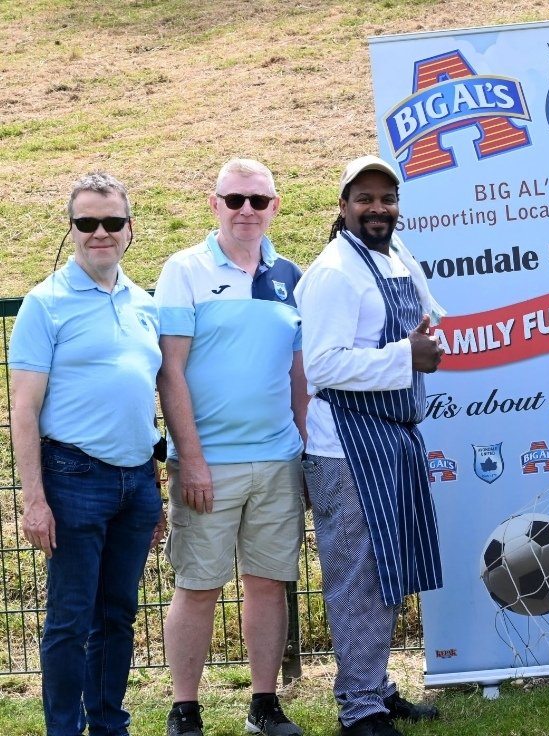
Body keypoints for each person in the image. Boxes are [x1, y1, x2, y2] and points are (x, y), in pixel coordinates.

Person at [10, 172, 166, 736]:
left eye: (112, 221)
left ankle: (108, 725)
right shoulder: (44, 303)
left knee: (117, 616)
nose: (100, 232)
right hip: (72, 478)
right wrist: (33, 500)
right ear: (71, 229)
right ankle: (63, 730)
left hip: (136, 482)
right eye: (87, 222)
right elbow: (23, 408)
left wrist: (153, 487)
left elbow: (146, 397)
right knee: (70, 620)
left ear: (130, 228)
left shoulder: (145, 304)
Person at [155, 159, 307, 736]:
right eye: (235, 199)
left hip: (278, 459)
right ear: (214, 203)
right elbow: (170, 371)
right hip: (207, 463)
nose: (247, 210)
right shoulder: (184, 270)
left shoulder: (292, 276)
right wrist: (190, 458)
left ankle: (263, 705)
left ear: (275, 206)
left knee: (268, 584)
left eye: (258, 200)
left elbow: (299, 377)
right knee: (198, 586)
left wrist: (305, 452)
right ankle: (185, 710)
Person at [295, 155, 444, 736]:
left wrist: (423, 346)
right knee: (357, 577)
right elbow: (323, 365)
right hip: (346, 445)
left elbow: (420, 319)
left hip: (389, 436)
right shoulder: (335, 272)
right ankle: (359, 711)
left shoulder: (395, 255)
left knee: (385, 571)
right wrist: (406, 356)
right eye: (365, 198)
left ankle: (376, 687)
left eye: (387, 197)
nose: (378, 208)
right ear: (343, 206)